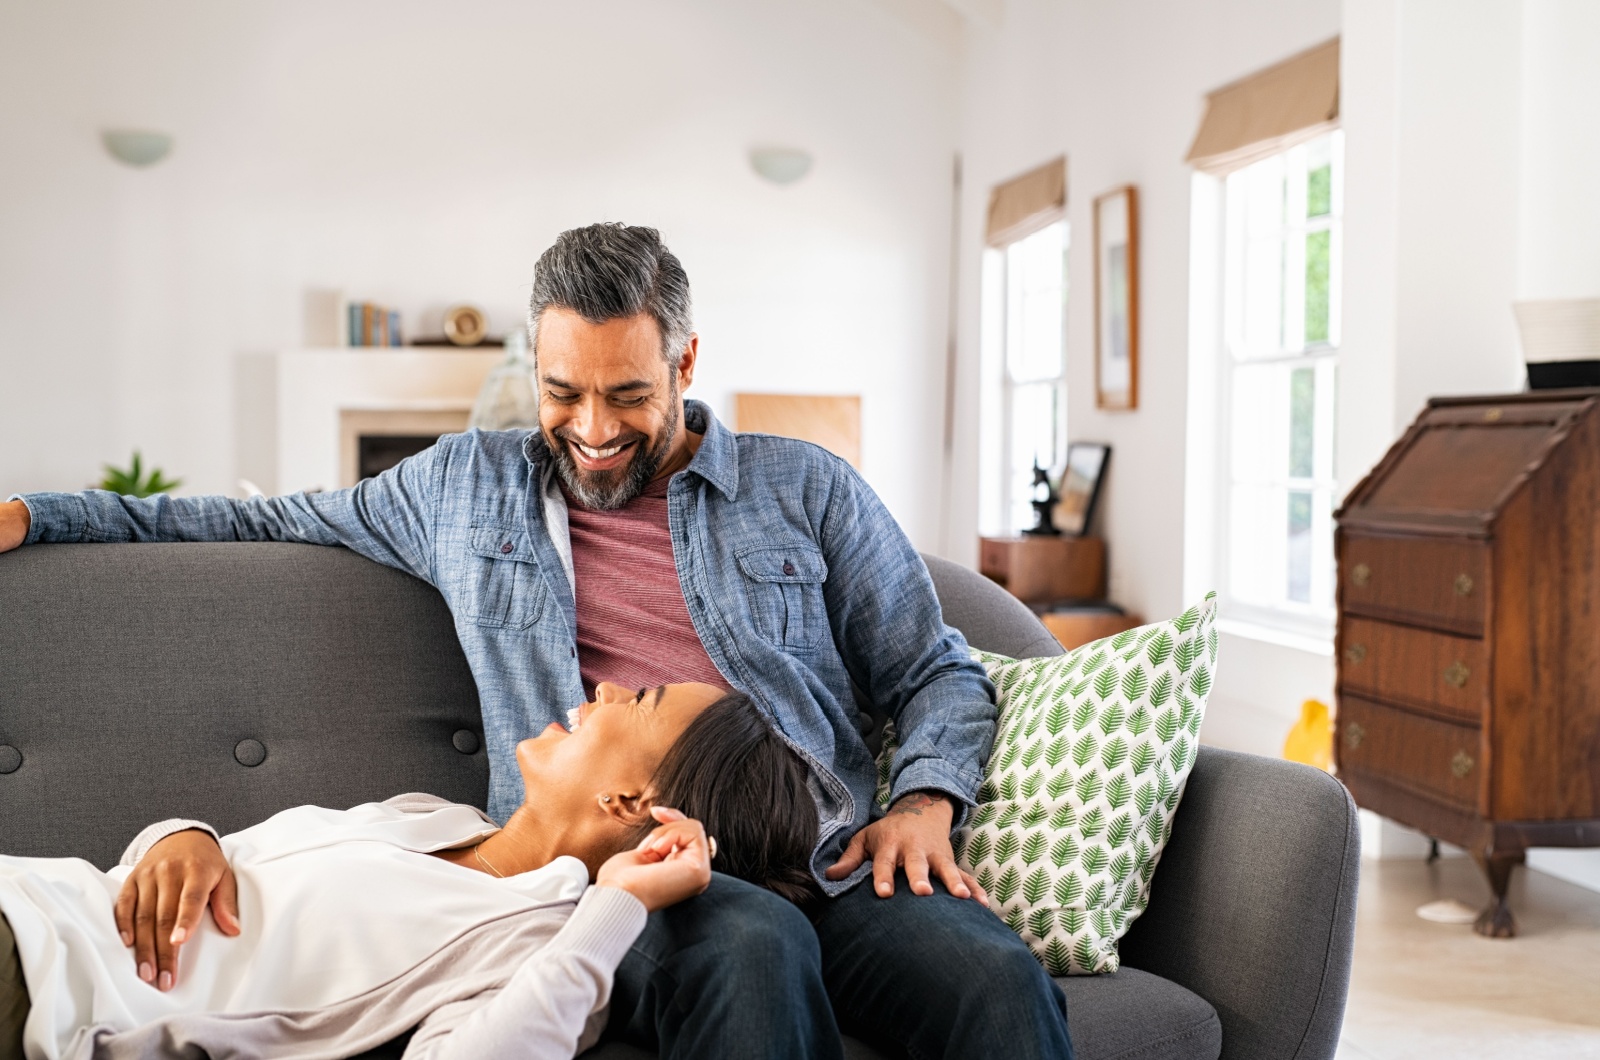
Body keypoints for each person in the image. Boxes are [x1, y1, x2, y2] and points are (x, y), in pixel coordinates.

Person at [0, 222, 1075, 1058]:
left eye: (629, 394)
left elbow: (934, 669)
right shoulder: (462, 489)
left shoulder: (805, 488)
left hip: (830, 851)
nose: (595, 429)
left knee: (992, 978)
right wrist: (39, 517)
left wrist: (926, 802)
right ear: (534, 362)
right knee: (754, 947)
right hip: (635, 861)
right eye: (565, 392)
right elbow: (250, 520)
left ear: (687, 360)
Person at [0, 682, 820, 1059]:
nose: (602, 685)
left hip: (41, 991)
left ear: (630, 799)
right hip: (33, 894)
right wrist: (182, 836)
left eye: (636, 700)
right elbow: (243, 862)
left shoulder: (542, 941)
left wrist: (616, 904)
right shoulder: (435, 817)